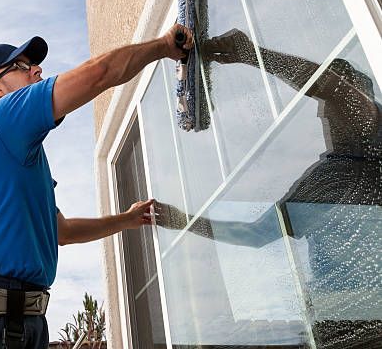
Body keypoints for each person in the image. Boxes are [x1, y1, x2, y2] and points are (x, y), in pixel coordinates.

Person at [0, 24, 193, 349]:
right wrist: (164, 46)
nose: (36, 70)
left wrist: (126, 220)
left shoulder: (17, 157)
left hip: (14, 317)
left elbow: (62, 232)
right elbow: (99, 73)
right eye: (22, 67)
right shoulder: (1, 119)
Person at [158, 28, 381, 348]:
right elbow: (256, 234)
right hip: (338, 324)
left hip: (346, 327)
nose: (323, 119)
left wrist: (253, 54)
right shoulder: (337, 175)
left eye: (327, 110)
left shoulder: (336, 178)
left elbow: (255, 234)